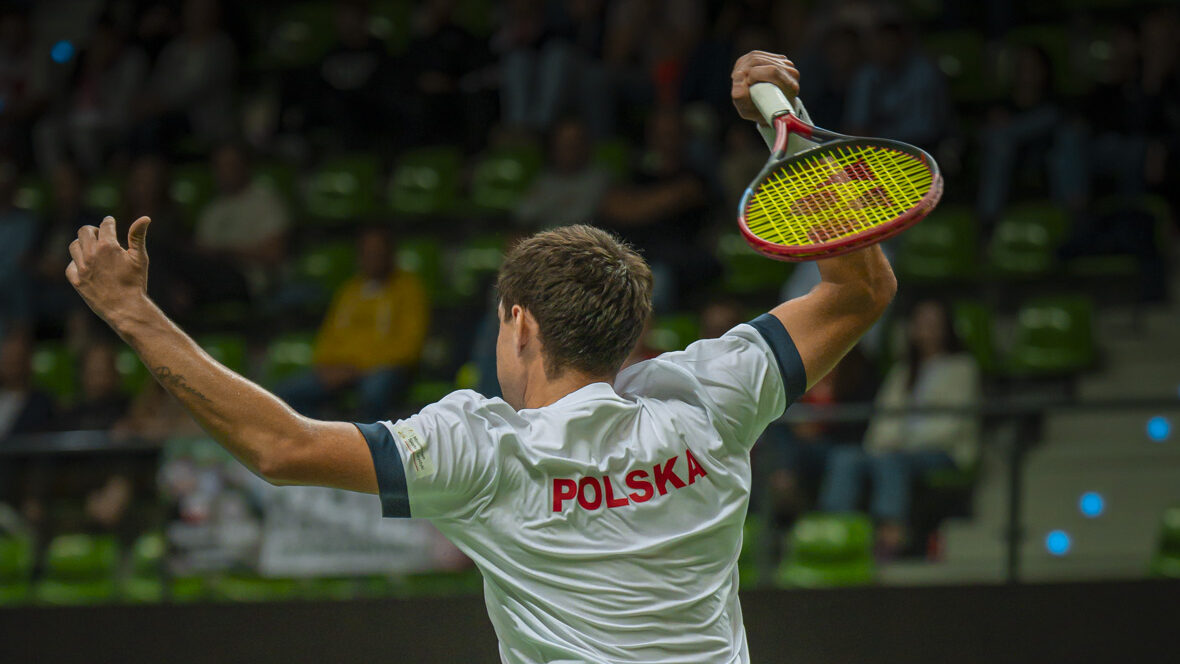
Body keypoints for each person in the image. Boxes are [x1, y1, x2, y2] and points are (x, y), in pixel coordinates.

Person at [64, 51, 897, 663]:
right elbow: (860, 290)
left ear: (521, 327)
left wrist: (133, 315)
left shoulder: (485, 451)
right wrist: (785, 129)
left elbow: (281, 446)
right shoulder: (710, 397)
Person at [818, 299, 981, 558]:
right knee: (845, 457)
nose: (927, 330)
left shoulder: (962, 367)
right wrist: (880, 445)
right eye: (921, 324)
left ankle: (891, 534)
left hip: (943, 451)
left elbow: (953, 424)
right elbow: (882, 417)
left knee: (892, 461)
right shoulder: (902, 370)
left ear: (947, 328)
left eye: (933, 324)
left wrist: (902, 444)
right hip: (894, 448)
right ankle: (838, 529)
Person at [276, 227, 428, 422]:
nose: (372, 257)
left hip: (384, 368)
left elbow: (409, 347)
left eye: (377, 251)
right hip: (341, 368)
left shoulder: (409, 289)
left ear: (390, 253)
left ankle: (369, 447)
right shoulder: (349, 290)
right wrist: (326, 365)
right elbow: (328, 335)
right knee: (287, 392)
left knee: (374, 391)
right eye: (367, 252)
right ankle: (315, 446)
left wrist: (357, 368)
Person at [194, 141, 291, 297]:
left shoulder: (265, 200)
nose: (225, 171)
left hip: (251, 280)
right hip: (211, 278)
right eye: (220, 165)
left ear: (245, 165)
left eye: (231, 164)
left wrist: (224, 252)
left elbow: (274, 254)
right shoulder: (211, 211)